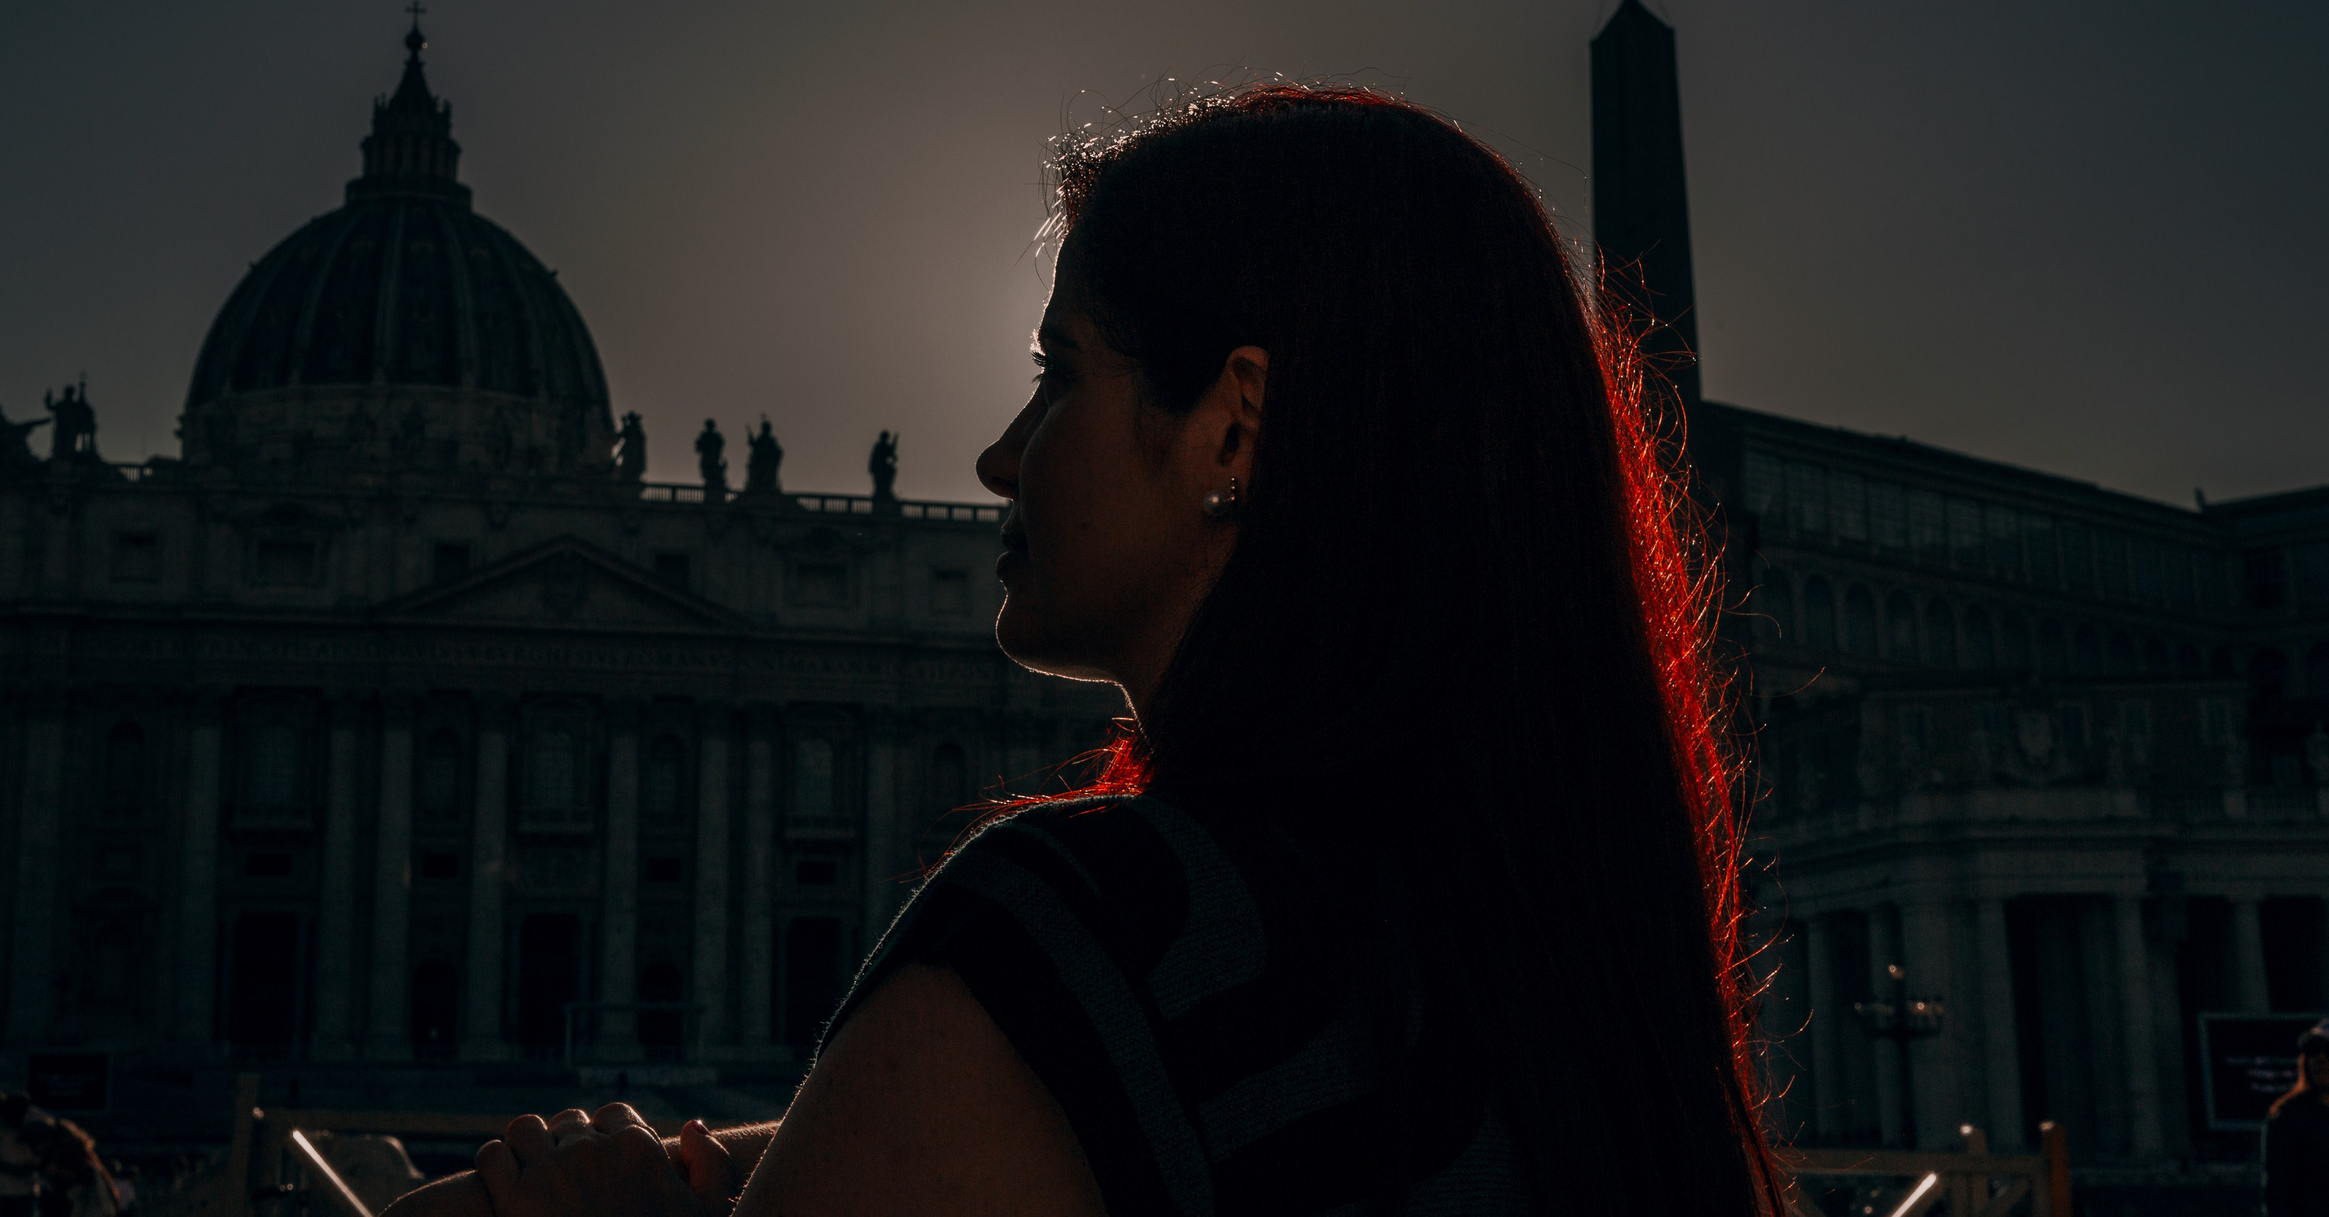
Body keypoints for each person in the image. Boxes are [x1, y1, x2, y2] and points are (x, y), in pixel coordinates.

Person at [396, 87, 1782, 1215]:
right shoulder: (1570, 975)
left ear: (1232, 427)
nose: (1002, 452)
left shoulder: (1074, 940)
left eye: (1060, 369)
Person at [2266, 1022, 2329, 1217]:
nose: (2319, 1059)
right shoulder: (2290, 1116)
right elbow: (2277, 1192)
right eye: (2312, 1051)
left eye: (2328, 1051)